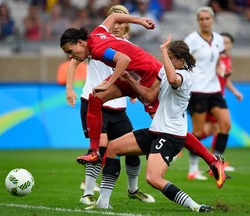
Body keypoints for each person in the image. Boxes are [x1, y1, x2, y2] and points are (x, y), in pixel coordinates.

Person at [85, 35, 224, 211]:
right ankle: (102, 203)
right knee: (113, 149)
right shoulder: (165, 72)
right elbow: (149, 96)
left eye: (171, 58)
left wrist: (164, 52)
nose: (165, 61)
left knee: (153, 178)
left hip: (171, 135)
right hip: (156, 131)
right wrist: (130, 81)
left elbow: (174, 80)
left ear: (181, 60)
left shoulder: (185, 77)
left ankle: (196, 206)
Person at [65, 5, 155, 205]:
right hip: (94, 101)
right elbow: (73, 61)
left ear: (127, 27)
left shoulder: (125, 45)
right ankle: (87, 193)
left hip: (118, 106)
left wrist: (134, 90)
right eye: (115, 21)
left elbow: (133, 70)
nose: (117, 25)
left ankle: (133, 190)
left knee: (132, 151)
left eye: (123, 22)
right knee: (101, 149)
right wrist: (69, 88)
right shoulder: (96, 41)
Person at [60, 10, 162, 165]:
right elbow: (113, 17)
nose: (70, 56)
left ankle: (209, 159)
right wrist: (140, 21)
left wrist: (108, 83)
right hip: (133, 75)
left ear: (80, 43)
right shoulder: (97, 33)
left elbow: (124, 60)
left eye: (70, 51)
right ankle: (94, 151)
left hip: (149, 76)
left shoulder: (98, 50)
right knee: (95, 97)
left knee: (163, 124)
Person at [184, 6, 231, 180]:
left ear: (212, 19)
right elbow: (182, 60)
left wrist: (221, 70)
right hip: (198, 90)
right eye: (201, 19)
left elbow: (218, 61)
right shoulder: (192, 40)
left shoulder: (218, 39)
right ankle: (193, 169)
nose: (204, 21)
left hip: (214, 90)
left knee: (225, 125)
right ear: (198, 21)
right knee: (197, 130)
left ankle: (216, 164)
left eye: (207, 18)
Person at [202, 32, 243, 173]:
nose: (225, 45)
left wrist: (235, 92)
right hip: (211, 97)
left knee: (218, 128)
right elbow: (216, 73)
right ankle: (180, 143)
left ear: (231, 45)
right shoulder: (214, 57)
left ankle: (215, 164)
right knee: (215, 129)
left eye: (228, 42)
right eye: (223, 42)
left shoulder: (227, 58)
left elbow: (226, 79)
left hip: (219, 97)